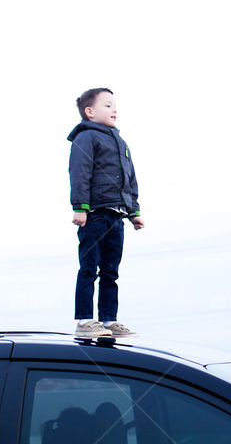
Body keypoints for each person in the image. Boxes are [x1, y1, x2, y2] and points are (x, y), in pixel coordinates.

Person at [68, 88, 144, 338]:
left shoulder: (120, 142)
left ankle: (109, 320)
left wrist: (134, 211)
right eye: (108, 105)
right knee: (89, 268)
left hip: (116, 216)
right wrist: (80, 207)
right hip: (94, 214)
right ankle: (84, 321)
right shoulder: (86, 138)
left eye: (115, 105)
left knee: (111, 272)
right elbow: (79, 173)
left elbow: (130, 178)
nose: (115, 110)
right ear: (90, 111)